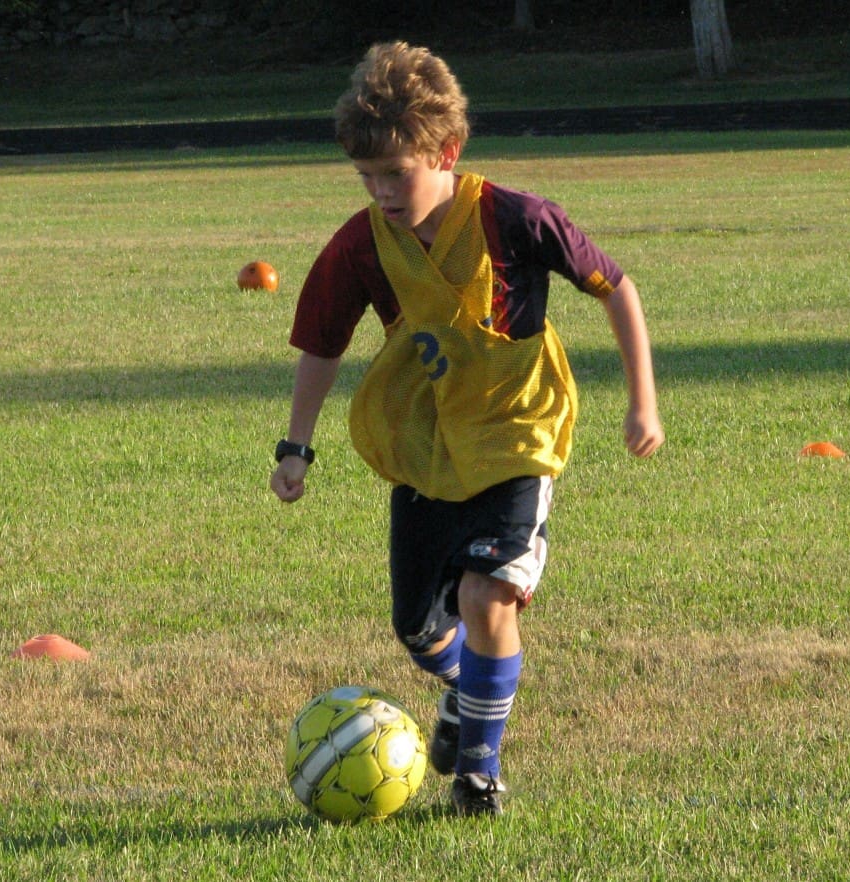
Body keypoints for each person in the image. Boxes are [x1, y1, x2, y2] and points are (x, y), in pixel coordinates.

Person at [270, 41, 664, 817]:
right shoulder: (359, 245)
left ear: (447, 152)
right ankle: (467, 691)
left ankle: (478, 776)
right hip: (427, 445)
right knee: (419, 629)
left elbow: (616, 287)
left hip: (520, 434)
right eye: (367, 176)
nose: (382, 190)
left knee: (488, 596)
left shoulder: (516, 218)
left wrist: (640, 402)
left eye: (397, 173)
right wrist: (296, 446)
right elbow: (323, 342)